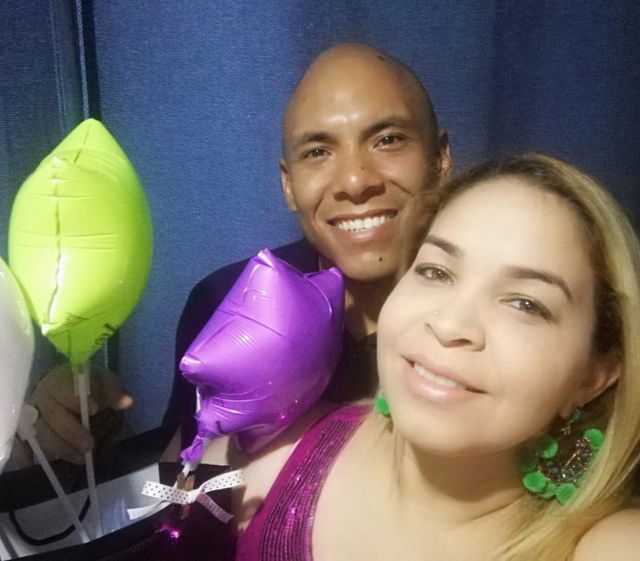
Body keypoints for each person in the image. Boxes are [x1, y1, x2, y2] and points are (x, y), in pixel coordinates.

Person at [15, 43, 451, 464]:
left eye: (388, 140)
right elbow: (188, 473)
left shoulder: (476, 319)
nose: (355, 182)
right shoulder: (226, 300)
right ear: (288, 185)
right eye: (318, 152)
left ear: (440, 159)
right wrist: (91, 426)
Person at [211, 154, 640, 560]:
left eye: (525, 304)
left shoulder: (607, 543)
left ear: (595, 374)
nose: (450, 324)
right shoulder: (275, 450)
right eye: (436, 271)